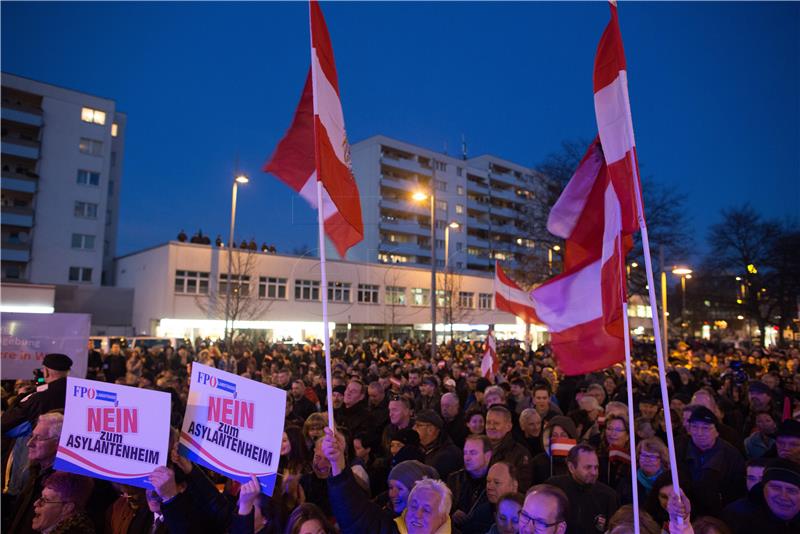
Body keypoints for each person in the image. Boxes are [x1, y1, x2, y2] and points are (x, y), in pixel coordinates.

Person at [677, 406, 745, 516]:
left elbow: (737, 490)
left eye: (706, 428)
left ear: (717, 431)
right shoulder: (680, 449)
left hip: (720, 512)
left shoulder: (732, 456)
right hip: (686, 510)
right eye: (694, 427)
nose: (699, 433)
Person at [7, 411, 64, 534]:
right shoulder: (34, 471)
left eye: (38, 438)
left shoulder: (62, 484)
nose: (29, 443)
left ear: (57, 442)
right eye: (31, 436)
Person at [546, 443, 619, 534]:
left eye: (596, 467)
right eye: (588, 467)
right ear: (571, 467)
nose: (594, 472)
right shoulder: (555, 487)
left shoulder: (608, 496)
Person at [721, 458, 800, 534]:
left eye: (791, 491)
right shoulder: (736, 516)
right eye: (776, 488)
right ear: (763, 488)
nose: (783, 496)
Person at [2, 354, 73, 436]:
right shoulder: (78, 394)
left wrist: (20, 397)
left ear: (46, 372)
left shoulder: (38, 398)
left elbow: (5, 425)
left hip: (37, 444)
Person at [485, 405, 532, 491]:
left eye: (496, 423)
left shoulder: (520, 454)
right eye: (488, 423)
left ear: (509, 427)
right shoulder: (479, 448)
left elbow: (522, 486)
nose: (491, 427)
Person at [447, 434, 492, 519]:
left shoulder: (495, 482)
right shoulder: (454, 479)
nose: (467, 458)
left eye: (473, 453)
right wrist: (452, 513)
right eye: (465, 453)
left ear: (487, 456)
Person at [413, 410, 462, 480]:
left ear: (431, 430)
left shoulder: (448, 455)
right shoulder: (419, 449)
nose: (414, 428)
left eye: (418, 425)